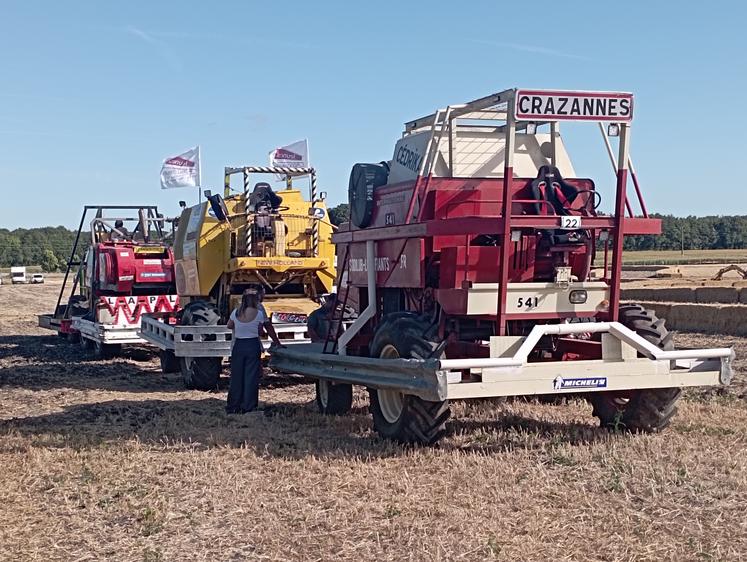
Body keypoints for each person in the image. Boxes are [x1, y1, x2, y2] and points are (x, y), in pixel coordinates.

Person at [226, 288, 283, 414]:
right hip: (252, 345)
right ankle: (248, 405)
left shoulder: (236, 312)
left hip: (239, 345)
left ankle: (233, 405)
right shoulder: (259, 314)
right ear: (256, 300)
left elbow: (229, 326)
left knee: (236, 376)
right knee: (251, 376)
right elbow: (261, 331)